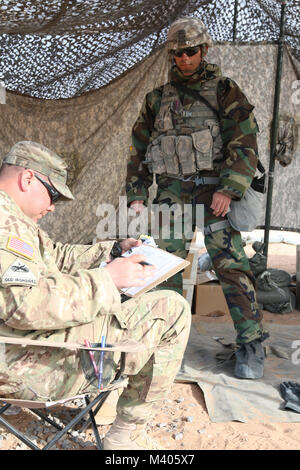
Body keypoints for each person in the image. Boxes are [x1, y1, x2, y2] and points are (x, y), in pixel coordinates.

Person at [0, 141, 191, 450]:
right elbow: (25, 306)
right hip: (24, 365)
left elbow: (55, 257)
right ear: (27, 179)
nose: (52, 207)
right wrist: (108, 279)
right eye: (53, 196)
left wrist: (112, 251)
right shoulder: (5, 223)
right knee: (172, 310)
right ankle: (128, 434)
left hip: (18, 351)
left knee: (122, 299)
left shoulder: (13, 219)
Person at [126, 16, 268, 379]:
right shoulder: (156, 99)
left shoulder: (224, 90)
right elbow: (138, 149)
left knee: (230, 265)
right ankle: (164, 342)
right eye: (177, 53)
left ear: (204, 50)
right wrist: (138, 194)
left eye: (190, 52)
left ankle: (251, 343)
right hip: (171, 192)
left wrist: (229, 188)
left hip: (212, 191)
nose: (184, 59)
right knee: (163, 268)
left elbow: (245, 141)